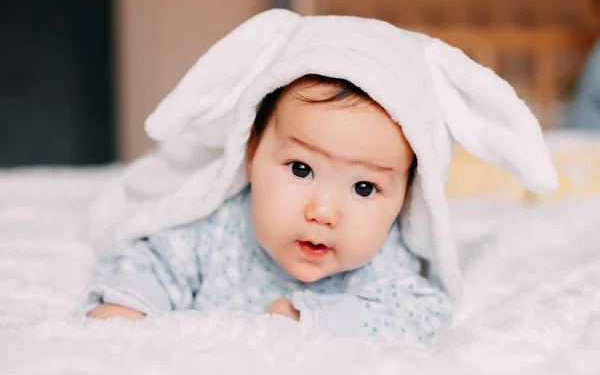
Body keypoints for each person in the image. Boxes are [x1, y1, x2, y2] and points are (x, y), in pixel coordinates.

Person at [83, 75, 451, 343]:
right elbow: (151, 260)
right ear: (252, 151)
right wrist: (128, 311)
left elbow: (424, 313)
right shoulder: (218, 226)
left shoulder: (384, 258)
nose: (323, 211)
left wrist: (311, 318)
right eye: (301, 169)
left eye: (364, 187)